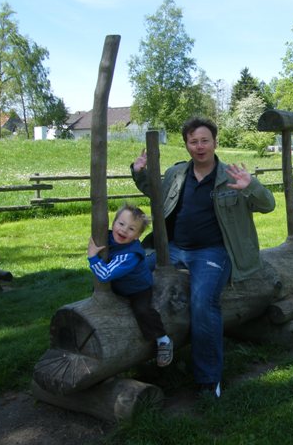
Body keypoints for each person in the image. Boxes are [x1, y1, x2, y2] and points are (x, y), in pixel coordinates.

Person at [131, 116, 275, 399]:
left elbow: (268, 205)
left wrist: (251, 186)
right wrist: (139, 173)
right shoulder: (177, 173)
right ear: (186, 144)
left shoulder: (231, 176)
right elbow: (156, 193)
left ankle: (208, 380)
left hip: (212, 252)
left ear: (215, 142)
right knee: (130, 274)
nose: (199, 146)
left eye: (205, 140)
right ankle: (152, 342)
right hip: (173, 248)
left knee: (202, 302)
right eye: (193, 141)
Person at [88, 203, 173, 368]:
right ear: (113, 223)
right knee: (98, 297)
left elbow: (105, 275)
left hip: (137, 289)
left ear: (137, 236)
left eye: (131, 229)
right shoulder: (107, 238)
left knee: (142, 310)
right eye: (121, 224)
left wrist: (92, 257)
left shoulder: (130, 254)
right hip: (118, 284)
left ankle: (163, 339)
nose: (124, 230)